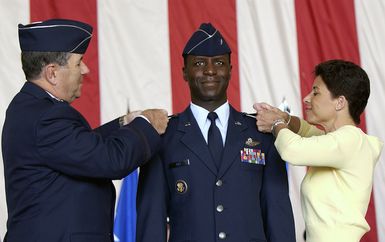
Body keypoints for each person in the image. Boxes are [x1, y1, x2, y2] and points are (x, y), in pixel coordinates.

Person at [1, 19, 169, 242]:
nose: (86, 69)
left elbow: (79, 147)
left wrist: (123, 123)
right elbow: (110, 160)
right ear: (52, 73)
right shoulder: (46, 118)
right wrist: (147, 125)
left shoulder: (31, 108)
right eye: (78, 63)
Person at [136, 23, 296, 242]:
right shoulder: (163, 137)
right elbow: (151, 222)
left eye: (219, 63)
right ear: (184, 72)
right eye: (199, 63)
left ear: (230, 69)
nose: (210, 70)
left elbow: (278, 216)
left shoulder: (261, 133)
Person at [253, 59, 383, 242]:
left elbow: (293, 149)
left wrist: (275, 123)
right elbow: (306, 131)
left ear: (340, 103)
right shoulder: (340, 142)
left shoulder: (351, 140)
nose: (306, 98)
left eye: (316, 92)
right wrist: (283, 117)